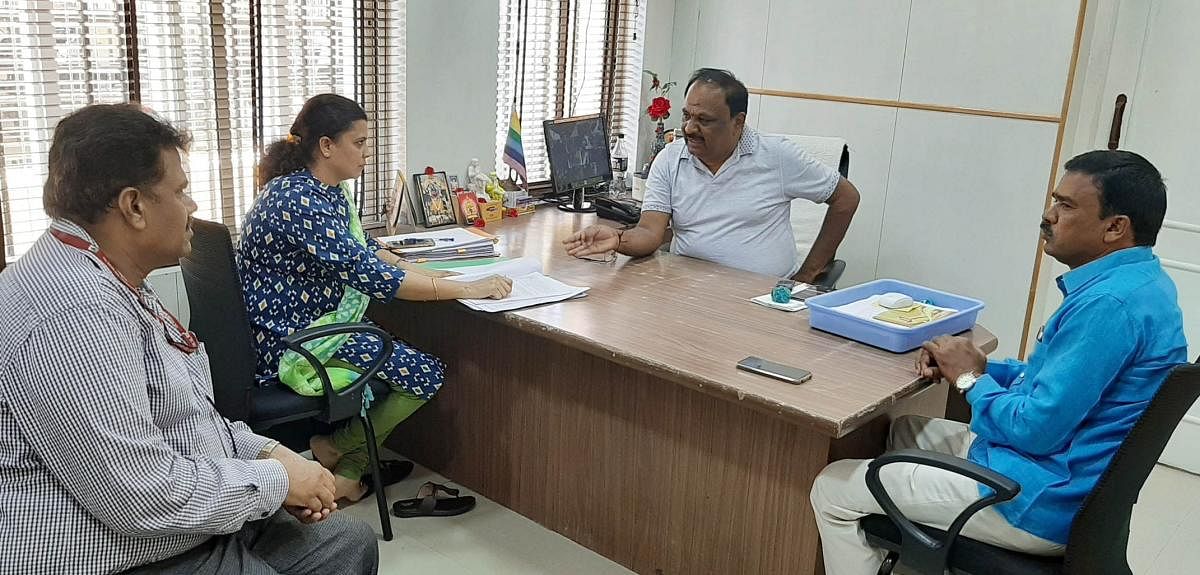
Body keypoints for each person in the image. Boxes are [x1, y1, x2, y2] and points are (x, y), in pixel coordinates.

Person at [0, 103, 377, 574]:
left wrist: (270, 453)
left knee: (345, 541)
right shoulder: (76, 314)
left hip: (172, 515)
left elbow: (182, 414)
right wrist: (276, 483)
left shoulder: (108, 273)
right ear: (134, 206)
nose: (192, 207)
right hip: (117, 548)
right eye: (180, 191)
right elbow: (140, 493)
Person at [809, 150, 1188, 574]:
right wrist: (981, 367)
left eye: (1065, 205)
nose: (1048, 215)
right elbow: (1056, 383)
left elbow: (1035, 429)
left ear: (1115, 228)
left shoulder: (1108, 306)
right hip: (1063, 477)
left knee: (833, 488)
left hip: (1036, 497)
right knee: (900, 429)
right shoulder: (1142, 281)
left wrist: (971, 380)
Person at [239, 94, 512, 503]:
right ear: (326, 146)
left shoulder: (323, 191)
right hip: (291, 338)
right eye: (360, 143)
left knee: (412, 362)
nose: (368, 154)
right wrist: (465, 290)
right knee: (425, 375)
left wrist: (442, 274)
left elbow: (369, 250)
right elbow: (371, 275)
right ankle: (340, 452)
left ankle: (347, 468)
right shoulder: (299, 200)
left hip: (311, 323)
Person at [563, 68, 861, 282]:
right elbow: (650, 233)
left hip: (761, 297)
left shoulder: (777, 156)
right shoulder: (670, 159)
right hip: (687, 290)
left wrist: (808, 274)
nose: (690, 128)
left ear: (738, 122)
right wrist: (617, 239)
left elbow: (846, 198)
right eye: (687, 116)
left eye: (704, 120)